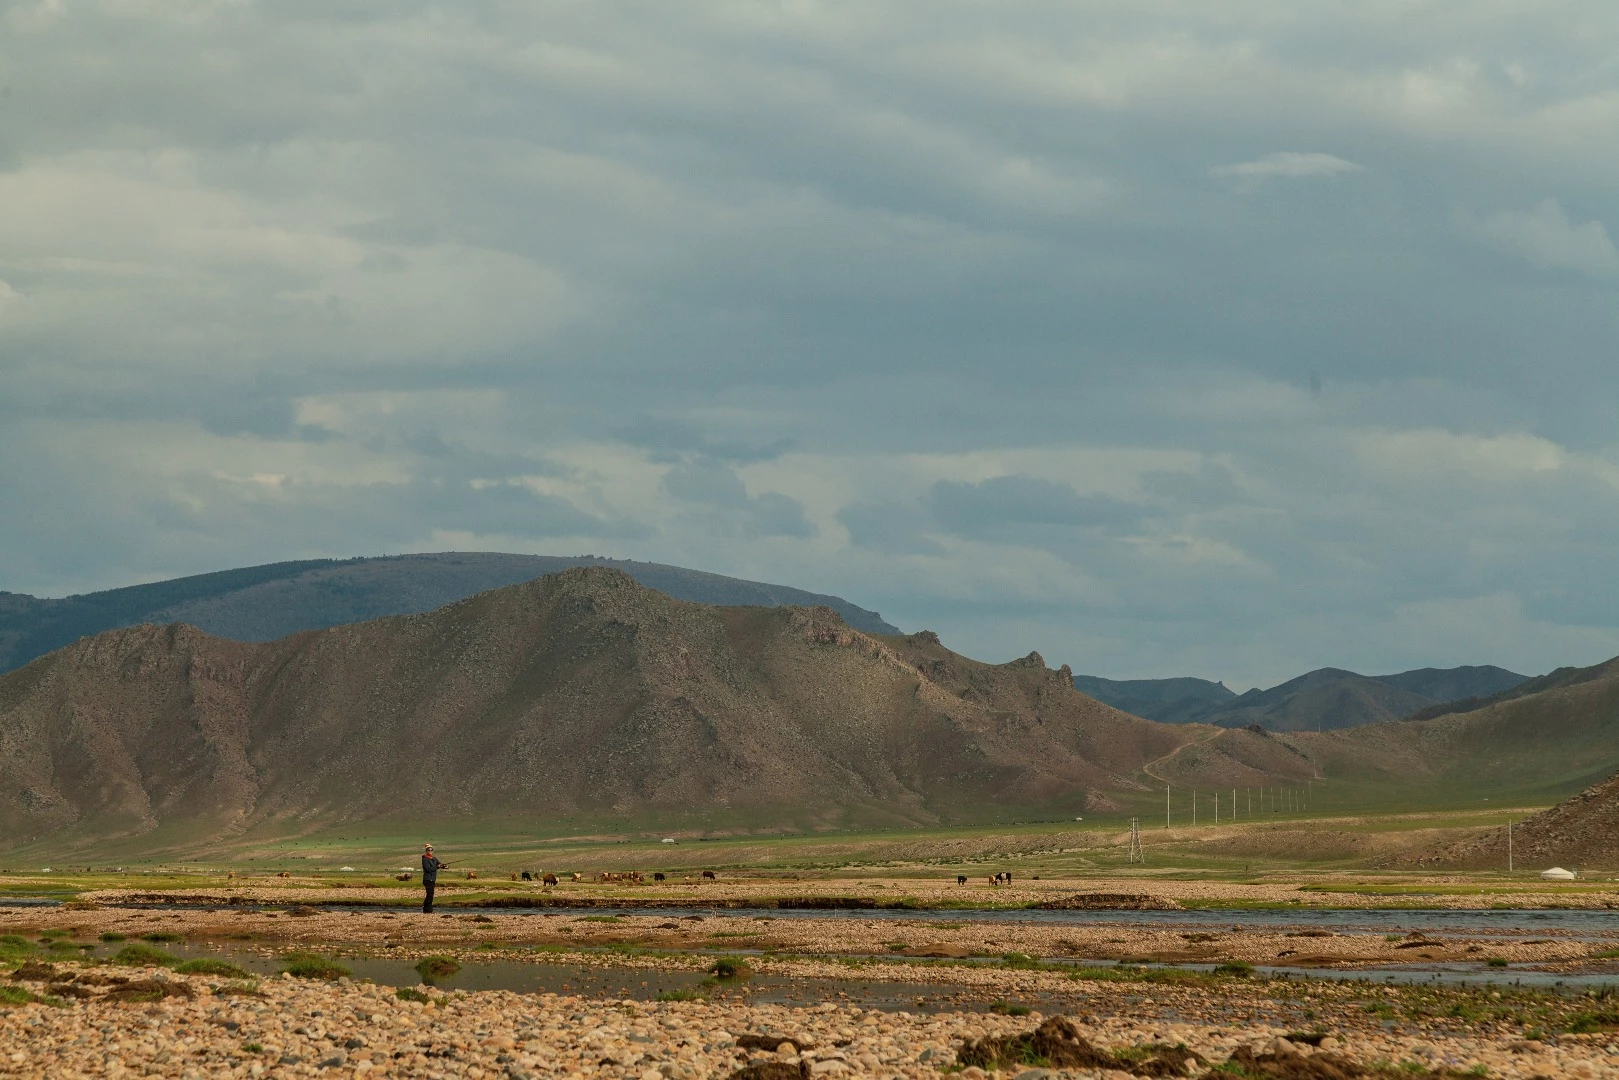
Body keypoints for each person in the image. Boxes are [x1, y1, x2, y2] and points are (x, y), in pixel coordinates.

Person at [421, 843, 448, 913]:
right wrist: (437, 867)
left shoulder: (434, 858)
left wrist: (444, 866)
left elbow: (440, 864)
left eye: (431, 850)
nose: (430, 851)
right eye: (428, 850)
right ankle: (427, 908)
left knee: (431, 894)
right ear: (426, 851)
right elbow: (428, 869)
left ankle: (427, 908)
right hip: (427, 879)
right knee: (430, 893)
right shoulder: (425, 859)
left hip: (432, 879)